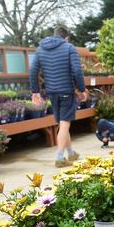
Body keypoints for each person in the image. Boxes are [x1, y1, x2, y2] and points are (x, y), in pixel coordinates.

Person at [29, 25, 88, 167]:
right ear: (66, 38)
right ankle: (60, 158)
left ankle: (71, 153)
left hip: (52, 92)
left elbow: (32, 71)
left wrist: (35, 92)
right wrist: (81, 89)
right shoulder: (69, 48)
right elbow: (77, 71)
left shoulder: (40, 49)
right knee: (64, 124)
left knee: (62, 123)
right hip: (66, 90)